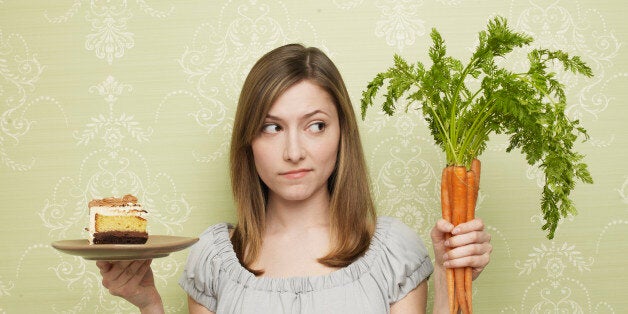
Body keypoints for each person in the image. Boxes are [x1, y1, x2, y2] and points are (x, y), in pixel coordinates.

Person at [96, 43, 492, 313]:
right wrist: (150, 303)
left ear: (342, 134)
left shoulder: (392, 252)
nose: (294, 151)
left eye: (315, 126)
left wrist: (447, 274)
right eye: (272, 127)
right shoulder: (214, 259)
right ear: (248, 140)